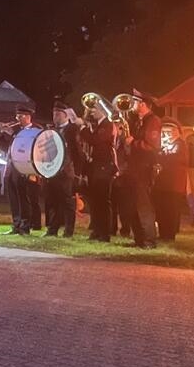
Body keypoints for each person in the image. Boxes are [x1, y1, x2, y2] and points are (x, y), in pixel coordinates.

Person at [117, 90, 162, 249]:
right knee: (132, 205)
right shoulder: (137, 121)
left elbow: (152, 146)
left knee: (143, 206)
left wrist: (133, 142)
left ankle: (149, 240)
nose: (132, 105)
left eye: (135, 102)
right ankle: (139, 239)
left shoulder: (153, 121)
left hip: (144, 169)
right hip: (133, 169)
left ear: (143, 104)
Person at [0, 105, 41, 235]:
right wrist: (1, 135)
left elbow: (31, 147)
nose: (17, 119)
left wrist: (13, 134)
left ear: (28, 117)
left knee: (24, 197)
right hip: (12, 167)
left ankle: (25, 225)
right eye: (17, 116)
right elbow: (5, 148)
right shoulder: (16, 131)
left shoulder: (36, 130)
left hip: (25, 168)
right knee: (13, 197)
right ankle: (16, 224)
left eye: (20, 116)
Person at [42, 102, 80, 237]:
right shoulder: (51, 130)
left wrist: (77, 171)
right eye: (54, 114)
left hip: (66, 170)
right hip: (53, 170)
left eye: (58, 114)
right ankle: (53, 229)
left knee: (67, 202)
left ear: (66, 115)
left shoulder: (73, 129)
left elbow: (77, 151)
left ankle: (68, 230)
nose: (55, 117)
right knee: (53, 201)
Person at [81, 103, 117, 242]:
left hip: (104, 167)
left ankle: (105, 232)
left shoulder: (107, 125)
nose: (92, 111)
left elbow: (94, 140)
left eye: (95, 109)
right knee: (95, 201)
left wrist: (82, 128)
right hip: (96, 167)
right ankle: (97, 230)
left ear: (102, 110)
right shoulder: (99, 125)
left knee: (103, 200)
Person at [153, 122, 188, 241]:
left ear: (176, 132)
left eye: (168, 132)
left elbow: (173, 158)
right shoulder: (167, 144)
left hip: (174, 184)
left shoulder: (180, 144)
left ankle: (169, 234)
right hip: (164, 184)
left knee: (171, 210)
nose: (165, 135)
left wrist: (162, 155)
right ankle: (163, 233)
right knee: (162, 209)